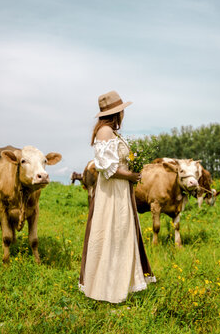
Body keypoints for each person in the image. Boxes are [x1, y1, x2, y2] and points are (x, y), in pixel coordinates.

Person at [79, 90, 156, 303]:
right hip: (112, 193)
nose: (123, 114)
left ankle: (123, 282)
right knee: (112, 235)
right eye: (122, 111)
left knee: (121, 235)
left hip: (121, 191)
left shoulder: (112, 132)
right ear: (117, 113)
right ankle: (109, 288)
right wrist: (132, 175)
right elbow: (107, 169)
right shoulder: (104, 132)